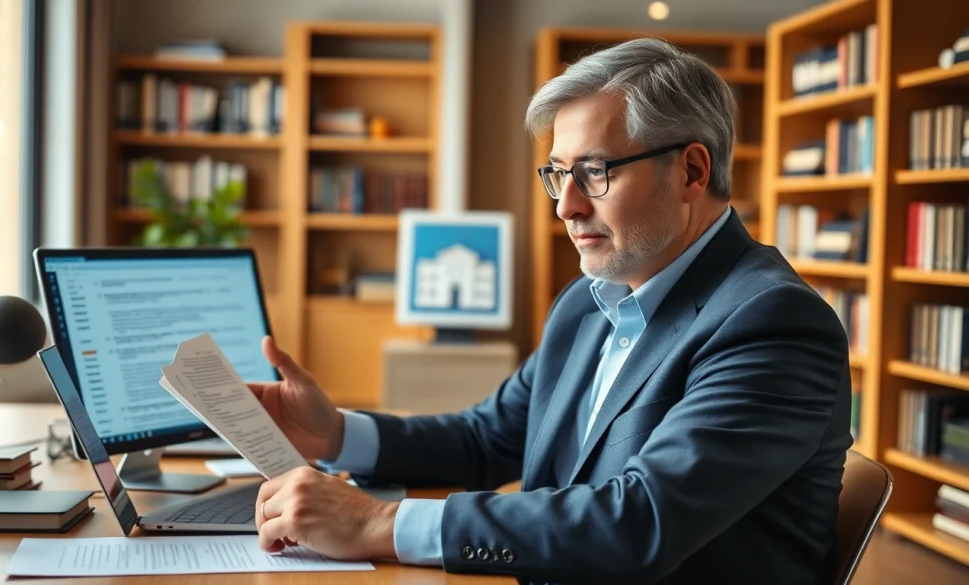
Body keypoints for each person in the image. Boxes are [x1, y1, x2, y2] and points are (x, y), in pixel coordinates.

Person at [248, 37, 852, 585]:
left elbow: (640, 522)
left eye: (594, 172)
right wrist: (335, 433)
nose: (565, 207)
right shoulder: (588, 303)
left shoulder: (772, 323)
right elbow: (488, 438)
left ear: (691, 170)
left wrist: (381, 522)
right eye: (559, 174)